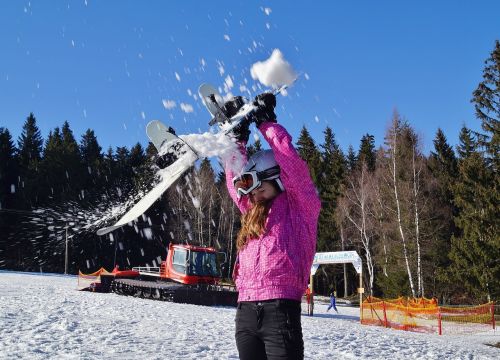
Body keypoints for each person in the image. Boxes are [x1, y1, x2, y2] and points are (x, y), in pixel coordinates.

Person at [223, 93, 321, 360]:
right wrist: (237, 140)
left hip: (280, 309)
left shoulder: (301, 207)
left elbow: (292, 164)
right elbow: (234, 183)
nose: (250, 193)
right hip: (245, 312)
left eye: (255, 185)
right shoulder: (252, 211)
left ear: (276, 178)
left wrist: (267, 124)